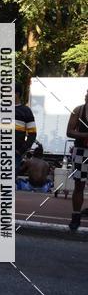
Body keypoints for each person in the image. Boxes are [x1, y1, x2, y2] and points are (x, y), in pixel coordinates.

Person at [66, 88, 88, 231]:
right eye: (87, 93)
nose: (86, 95)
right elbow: (69, 131)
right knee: (79, 185)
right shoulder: (78, 110)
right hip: (81, 151)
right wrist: (85, 135)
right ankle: (76, 217)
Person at [15, 83, 37, 177]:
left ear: (17, 94)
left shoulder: (26, 111)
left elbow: (32, 134)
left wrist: (21, 150)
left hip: (15, 154)